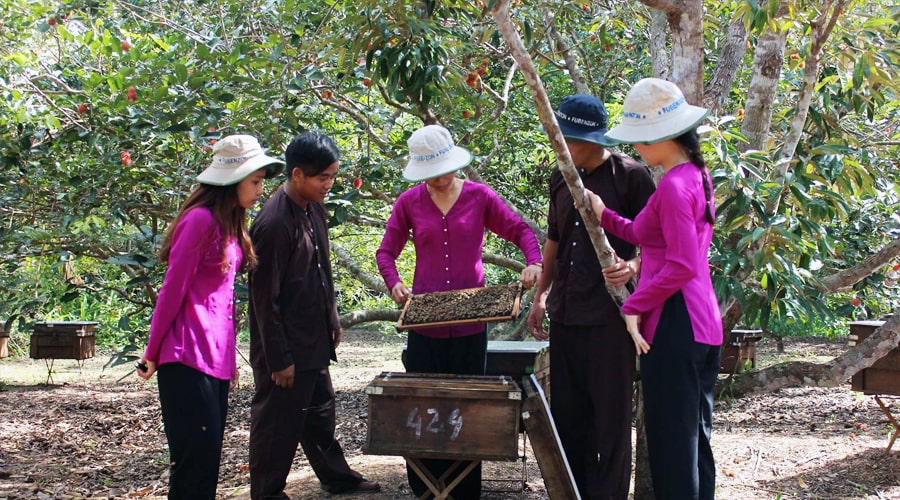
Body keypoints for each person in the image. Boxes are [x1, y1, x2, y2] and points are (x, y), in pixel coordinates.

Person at [376, 124, 543, 498]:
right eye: (429, 174)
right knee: (422, 409)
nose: (437, 179)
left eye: (442, 169)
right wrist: (394, 283)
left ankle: (466, 491)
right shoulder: (409, 202)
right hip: (425, 328)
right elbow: (385, 252)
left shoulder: (479, 197)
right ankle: (426, 489)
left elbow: (521, 230)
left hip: (471, 328)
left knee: (467, 412)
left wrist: (533, 262)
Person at [586, 78, 724, 499]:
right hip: (701, 322)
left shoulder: (675, 185)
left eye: (640, 139)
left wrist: (634, 306)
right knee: (692, 436)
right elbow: (643, 231)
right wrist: (602, 213)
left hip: (676, 322)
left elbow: (682, 265)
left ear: (660, 136)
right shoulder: (692, 176)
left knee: (673, 444)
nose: (637, 149)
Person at [137, 134, 284, 499]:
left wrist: (228, 362)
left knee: (207, 465)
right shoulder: (199, 221)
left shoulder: (230, 225)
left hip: (212, 359)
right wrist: (152, 352)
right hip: (185, 356)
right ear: (232, 180)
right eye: (255, 181)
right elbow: (173, 291)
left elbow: (223, 303)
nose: (260, 190)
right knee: (193, 466)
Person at [526, 94, 656, 499]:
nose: (564, 149)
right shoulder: (560, 177)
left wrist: (632, 268)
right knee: (568, 417)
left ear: (597, 139)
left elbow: (659, 242)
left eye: (572, 141)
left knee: (611, 421)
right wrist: (542, 294)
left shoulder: (631, 177)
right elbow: (554, 239)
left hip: (612, 319)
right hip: (567, 313)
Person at [247, 132, 380, 499]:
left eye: (333, 176)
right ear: (297, 175)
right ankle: (267, 492)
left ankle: (336, 477)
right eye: (323, 177)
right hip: (285, 347)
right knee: (277, 423)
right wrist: (279, 359)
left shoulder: (314, 209)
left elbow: (322, 270)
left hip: (313, 337)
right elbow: (264, 299)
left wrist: (332, 316)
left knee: (319, 413)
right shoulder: (273, 224)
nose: (329, 184)